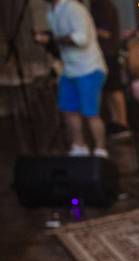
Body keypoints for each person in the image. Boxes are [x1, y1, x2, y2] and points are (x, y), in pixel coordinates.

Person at [34, 0, 109, 157]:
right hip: (69, 69)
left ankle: (100, 150)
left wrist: (52, 39)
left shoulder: (74, 9)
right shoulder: (51, 12)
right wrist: (46, 39)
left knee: (91, 113)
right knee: (69, 111)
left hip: (89, 68)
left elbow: (81, 39)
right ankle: (79, 147)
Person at [90, 0, 130, 138]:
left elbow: (106, 33)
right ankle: (115, 122)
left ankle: (122, 122)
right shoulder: (97, 5)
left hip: (109, 52)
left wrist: (87, 29)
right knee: (109, 90)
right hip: (105, 53)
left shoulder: (103, 6)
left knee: (114, 89)